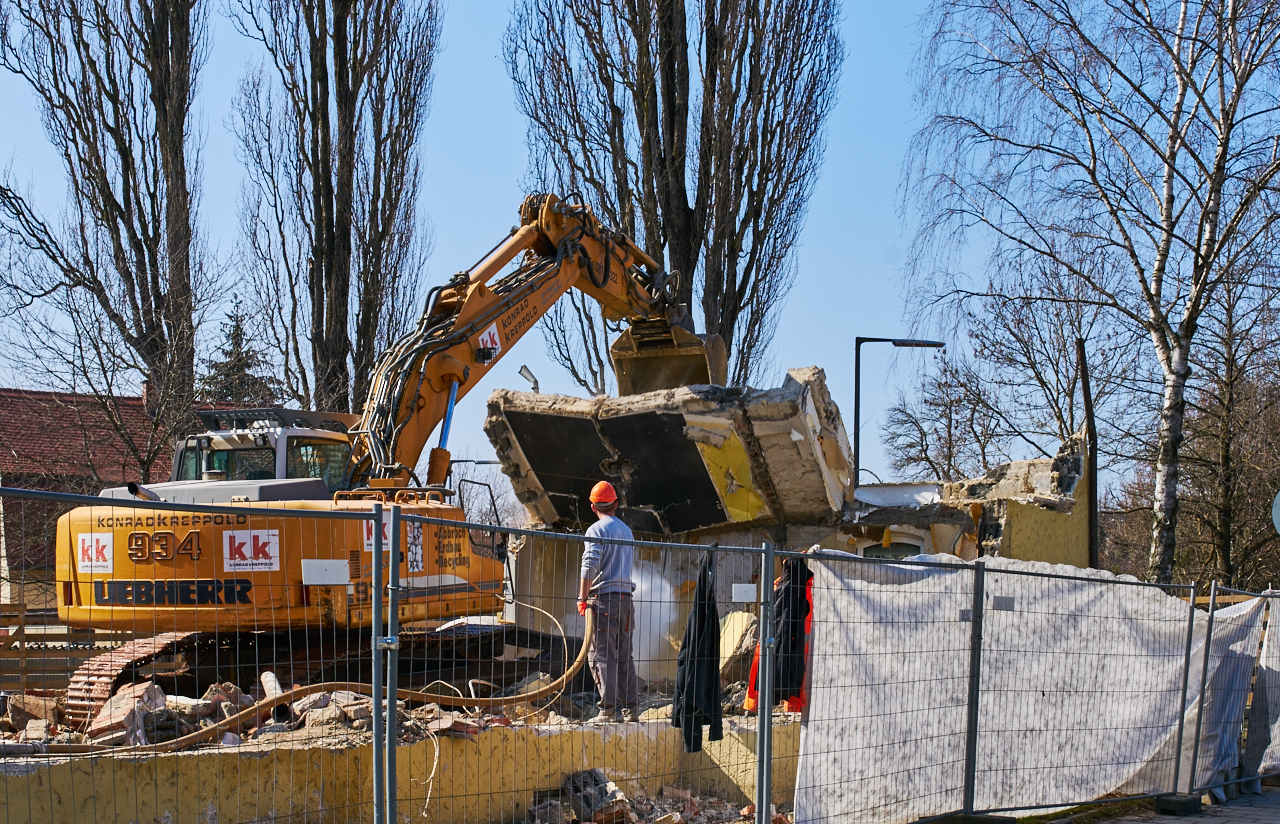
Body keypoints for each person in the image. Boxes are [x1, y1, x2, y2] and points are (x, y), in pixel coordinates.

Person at [577, 480, 639, 722]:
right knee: (625, 656)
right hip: (626, 602)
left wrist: (582, 597)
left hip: (604, 602)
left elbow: (589, 565)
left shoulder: (596, 530)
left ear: (593, 507)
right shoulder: (627, 531)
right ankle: (631, 709)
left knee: (603, 656)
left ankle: (609, 711)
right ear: (616, 504)